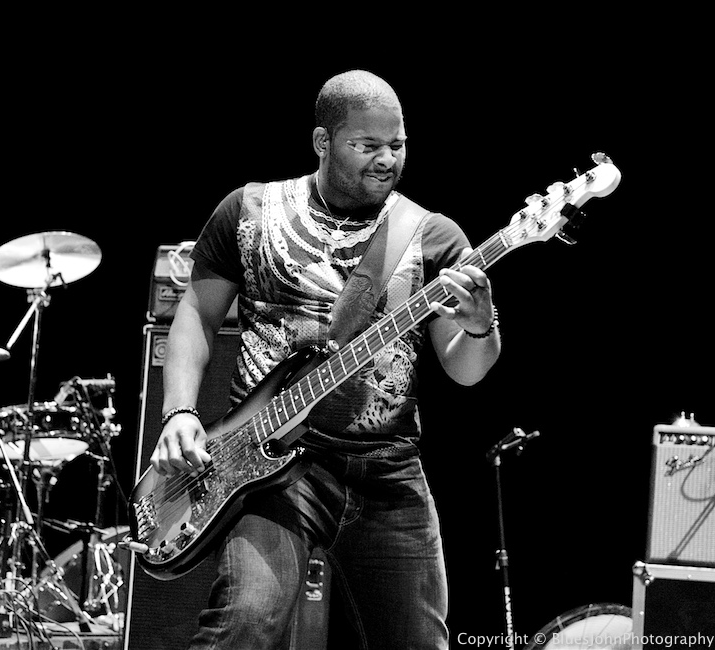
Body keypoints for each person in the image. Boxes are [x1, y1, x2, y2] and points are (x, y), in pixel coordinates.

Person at [150, 69, 501, 650]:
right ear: (323, 142)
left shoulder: (432, 237)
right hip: (270, 465)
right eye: (367, 146)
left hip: (387, 471)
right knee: (244, 623)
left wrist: (479, 326)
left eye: (398, 144)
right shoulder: (251, 211)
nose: (386, 159)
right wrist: (179, 412)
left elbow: (467, 368)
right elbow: (196, 313)